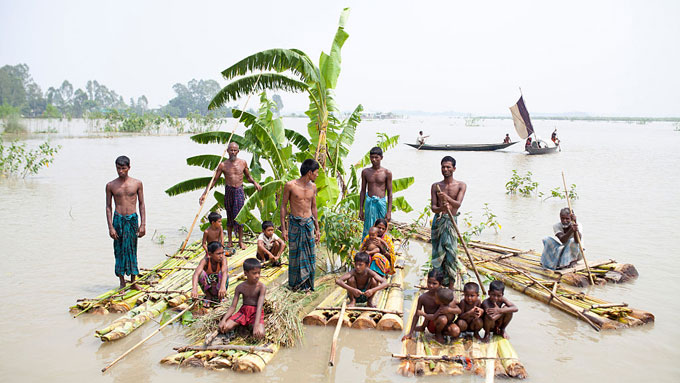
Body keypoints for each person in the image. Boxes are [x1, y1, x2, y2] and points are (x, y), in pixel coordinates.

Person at [199, 142, 262, 250]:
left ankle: (240, 241)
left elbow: (248, 177)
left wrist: (255, 183)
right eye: (231, 150)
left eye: (235, 150)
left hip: (239, 190)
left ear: (238, 151)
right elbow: (214, 180)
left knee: (240, 216)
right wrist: (205, 193)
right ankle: (230, 241)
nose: (233, 152)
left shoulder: (243, 163)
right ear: (227, 151)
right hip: (229, 190)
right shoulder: (223, 165)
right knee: (229, 216)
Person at [106, 155, 146, 289]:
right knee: (119, 251)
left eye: (123, 168)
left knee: (132, 250)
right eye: (118, 168)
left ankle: (134, 282)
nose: (121, 171)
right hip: (118, 219)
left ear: (129, 168)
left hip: (132, 219)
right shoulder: (111, 185)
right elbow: (108, 207)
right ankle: (122, 282)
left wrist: (143, 224)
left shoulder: (137, 183)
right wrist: (110, 227)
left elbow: (141, 204)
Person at [281, 159, 320, 291]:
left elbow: (314, 208)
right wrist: (284, 229)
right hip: (295, 224)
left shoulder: (313, 187)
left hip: (308, 224)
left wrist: (317, 229)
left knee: (310, 255)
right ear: (309, 172)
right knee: (295, 255)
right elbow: (283, 206)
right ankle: (296, 285)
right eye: (316, 172)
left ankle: (308, 285)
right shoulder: (290, 185)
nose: (317, 175)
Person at [430, 156, 466, 289]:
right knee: (438, 253)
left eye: (448, 167)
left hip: (451, 222)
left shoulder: (461, 185)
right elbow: (434, 208)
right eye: (443, 167)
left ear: (454, 169)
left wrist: (446, 198)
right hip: (439, 222)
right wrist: (441, 208)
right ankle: (437, 284)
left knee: (451, 253)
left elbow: (458, 204)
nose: (445, 169)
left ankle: (450, 286)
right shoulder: (436, 186)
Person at [402, 269, 461, 343]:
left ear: (440, 283)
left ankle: (443, 333)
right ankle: (438, 333)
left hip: (447, 324)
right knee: (442, 319)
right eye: (429, 282)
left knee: (455, 331)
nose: (431, 285)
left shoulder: (446, 295)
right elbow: (416, 315)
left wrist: (449, 310)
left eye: (434, 283)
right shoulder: (423, 298)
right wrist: (410, 333)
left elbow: (458, 309)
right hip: (434, 324)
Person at [218, 258, 266, 339]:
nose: (257, 276)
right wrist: (223, 320)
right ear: (246, 273)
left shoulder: (261, 287)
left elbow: (259, 307)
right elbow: (233, 307)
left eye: (259, 273)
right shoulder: (240, 287)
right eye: (254, 273)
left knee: (260, 334)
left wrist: (256, 326)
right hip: (243, 311)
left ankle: (248, 327)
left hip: (255, 312)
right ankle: (237, 329)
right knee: (225, 328)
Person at [359, 146, 393, 239]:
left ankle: (380, 249)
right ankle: (366, 248)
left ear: (381, 157)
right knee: (368, 227)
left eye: (376, 157)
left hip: (381, 203)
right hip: (369, 203)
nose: (373, 160)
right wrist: (361, 209)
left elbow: (390, 193)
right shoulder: (365, 172)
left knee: (381, 226)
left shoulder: (387, 173)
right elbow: (362, 191)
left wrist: (389, 211)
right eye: (372, 157)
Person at [191, 241, 228, 307]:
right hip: (209, 288)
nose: (221, 256)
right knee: (201, 273)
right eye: (218, 254)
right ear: (210, 254)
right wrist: (194, 288)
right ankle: (208, 296)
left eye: (223, 253)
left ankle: (221, 297)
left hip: (220, 288)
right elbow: (196, 274)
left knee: (222, 273)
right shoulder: (205, 261)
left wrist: (222, 286)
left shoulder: (223, 259)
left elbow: (224, 272)